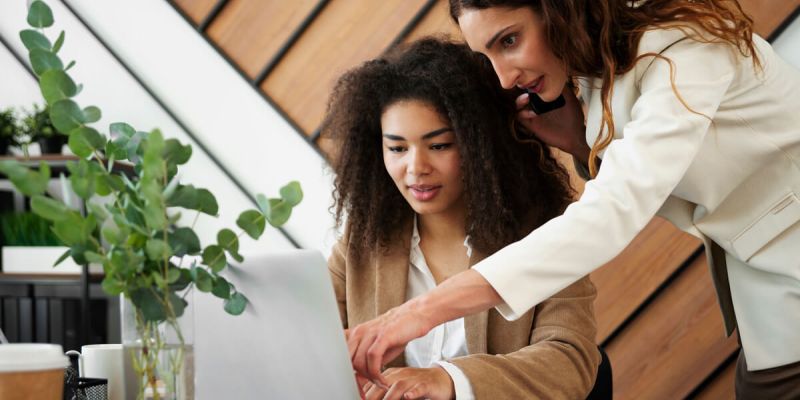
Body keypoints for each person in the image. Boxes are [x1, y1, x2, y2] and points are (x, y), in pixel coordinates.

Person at [346, 1, 800, 398]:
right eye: (487, 55)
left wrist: (419, 313)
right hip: (766, 286)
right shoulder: (598, 66)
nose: (504, 79)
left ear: (557, 8)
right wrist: (581, 146)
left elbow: (613, 211)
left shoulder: (683, 48)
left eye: (509, 40)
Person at [323, 38, 601, 399]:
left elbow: (570, 362)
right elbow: (305, 346)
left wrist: (449, 381)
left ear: (479, 144)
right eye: (397, 148)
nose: (415, 168)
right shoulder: (362, 242)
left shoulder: (544, 235)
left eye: (439, 146)